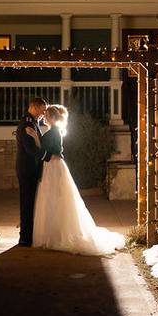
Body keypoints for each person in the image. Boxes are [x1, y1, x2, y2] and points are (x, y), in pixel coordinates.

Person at [26, 104, 124, 256]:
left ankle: (56, 235)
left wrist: (35, 137)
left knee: (55, 197)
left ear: (51, 117)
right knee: (52, 198)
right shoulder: (53, 130)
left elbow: (53, 152)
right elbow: (44, 149)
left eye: (46, 116)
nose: (44, 117)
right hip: (51, 166)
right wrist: (35, 136)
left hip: (54, 166)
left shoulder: (54, 132)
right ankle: (53, 233)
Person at [14, 97, 50, 247]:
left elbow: (38, 142)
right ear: (34, 107)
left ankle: (29, 235)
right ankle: (25, 238)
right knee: (27, 203)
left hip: (31, 168)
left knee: (31, 202)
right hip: (26, 169)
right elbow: (30, 149)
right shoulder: (26, 124)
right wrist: (48, 157)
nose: (42, 115)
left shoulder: (33, 122)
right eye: (41, 111)